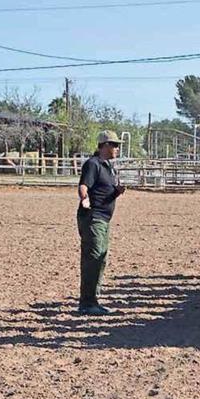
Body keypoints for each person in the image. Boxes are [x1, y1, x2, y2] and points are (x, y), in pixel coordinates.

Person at [77, 130, 126, 315]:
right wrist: (84, 198)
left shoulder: (108, 167)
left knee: (101, 258)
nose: (117, 148)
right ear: (104, 146)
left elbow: (105, 193)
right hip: (94, 218)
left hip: (104, 218)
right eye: (114, 144)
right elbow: (84, 185)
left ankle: (93, 300)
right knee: (94, 258)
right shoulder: (93, 164)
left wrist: (117, 192)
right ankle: (87, 303)